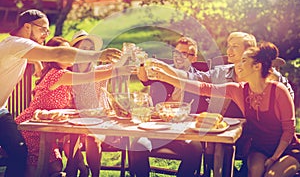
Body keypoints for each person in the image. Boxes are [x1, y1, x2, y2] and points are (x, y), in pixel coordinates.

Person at [146, 31, 295, 176]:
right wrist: (165, 75)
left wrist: (275, 158)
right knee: (249, 167)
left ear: (255, 61)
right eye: (228, 46)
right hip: (252, 144)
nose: (230, 52)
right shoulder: (236, 88)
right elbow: (200, 86)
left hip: (281, 144)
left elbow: (289, 127)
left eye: (235, 48)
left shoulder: (277, 85)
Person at [0, 9, 121, 177]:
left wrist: (37, 64)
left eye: (48, 31)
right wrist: (98, 55)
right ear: (27, 27)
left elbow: (36, 55)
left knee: (20, 153)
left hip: (2, 111)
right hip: (26, 124)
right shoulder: (18, 44)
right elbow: (58, 53)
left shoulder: (17, 46)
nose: (46, 34)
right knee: (20, 153)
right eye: (43, 29)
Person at [15, 36, 133, 177]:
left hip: (45, 129)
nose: (73, 54)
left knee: (56, 165)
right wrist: (118, 71)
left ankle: (78, 168)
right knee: (45, 167)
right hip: (31, 129)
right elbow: (90, 76)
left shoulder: (59, 73)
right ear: (54, 55)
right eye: (67, 51)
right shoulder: (58, 75)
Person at [130, 36, 204, 177]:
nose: (179, 57)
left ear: (194, 58)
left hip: (183, 132)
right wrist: (141, 63)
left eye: (184, 54)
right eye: (176, 53)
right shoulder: (163, 73)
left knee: (195, 149)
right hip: (157, 129)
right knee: (137, 145)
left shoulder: (198, 79)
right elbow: (145, 79)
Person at [68, 30, 114, 177]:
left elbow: (118, 68)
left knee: (92, 138)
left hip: (98, 121)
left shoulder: (100, 71)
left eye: (90, 50)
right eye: (83, 49)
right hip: (72, 122)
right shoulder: (66, 73)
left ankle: (95, 174)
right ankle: (79, 168)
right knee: (71, 139)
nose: (87, 53)